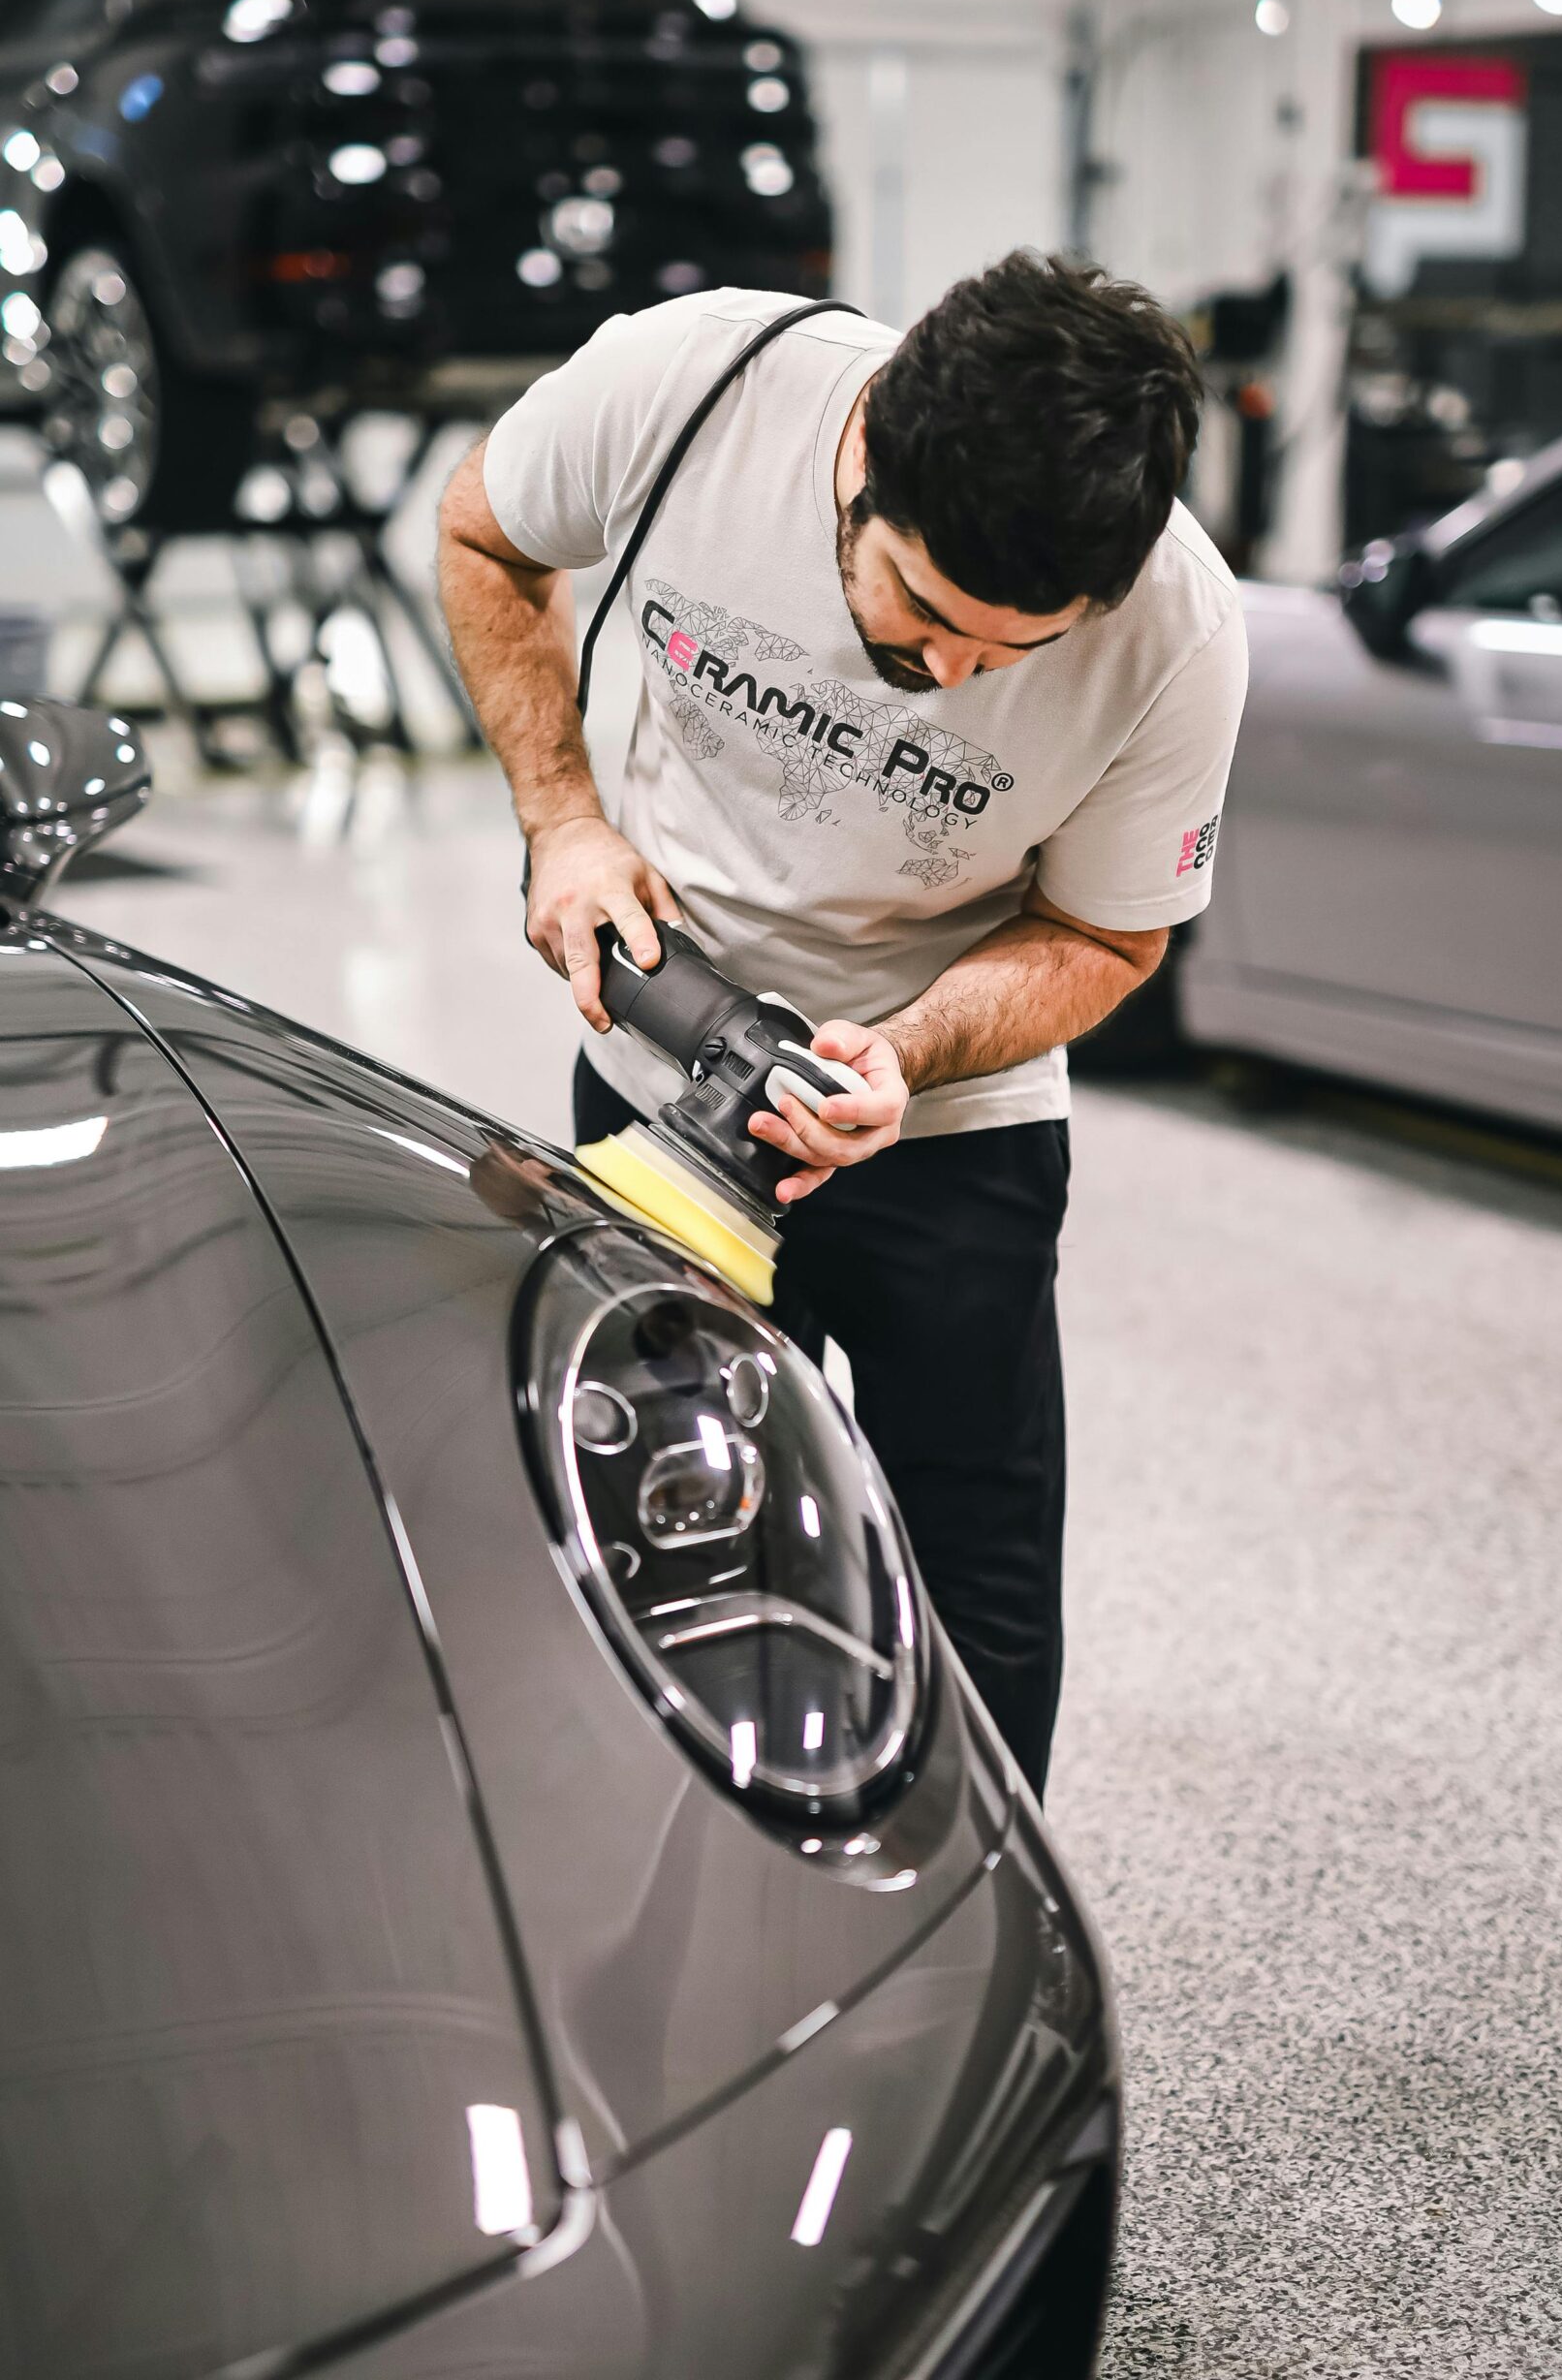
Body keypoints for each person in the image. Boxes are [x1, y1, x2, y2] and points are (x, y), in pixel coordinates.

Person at [438, 252, 1246, 1799]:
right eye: (930, 614)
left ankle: (962, 1930)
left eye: (1017, 656)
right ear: (863, 459)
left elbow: (1106, 931)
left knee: (976, 1562)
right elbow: (484, 532)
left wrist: (917, 1052)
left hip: (950, 1125)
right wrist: (564, 822)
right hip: (657, 1084)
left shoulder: (1181, 640)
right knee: (678, 1522)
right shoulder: (690, 391)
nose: (954, 676)